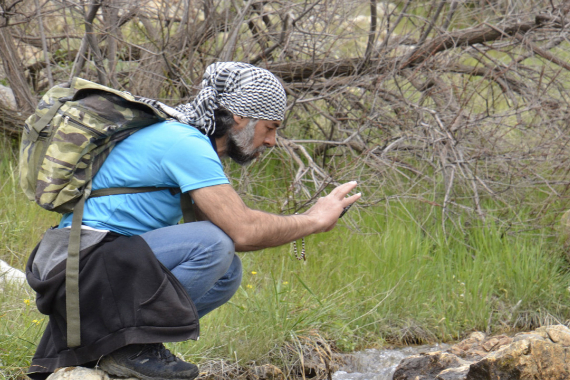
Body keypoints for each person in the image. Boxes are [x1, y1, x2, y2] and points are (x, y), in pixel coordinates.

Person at [26, 62, 360, 380]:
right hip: (79, 266)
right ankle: (128, 347)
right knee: (216, 244)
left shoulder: (183, 139)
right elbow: (242, 231)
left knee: (227, 272)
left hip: (85, 270)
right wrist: (314, 219)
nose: (271, 141)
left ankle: (116, 348)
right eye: (270, 127)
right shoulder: (184, 142)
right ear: (240, 116)